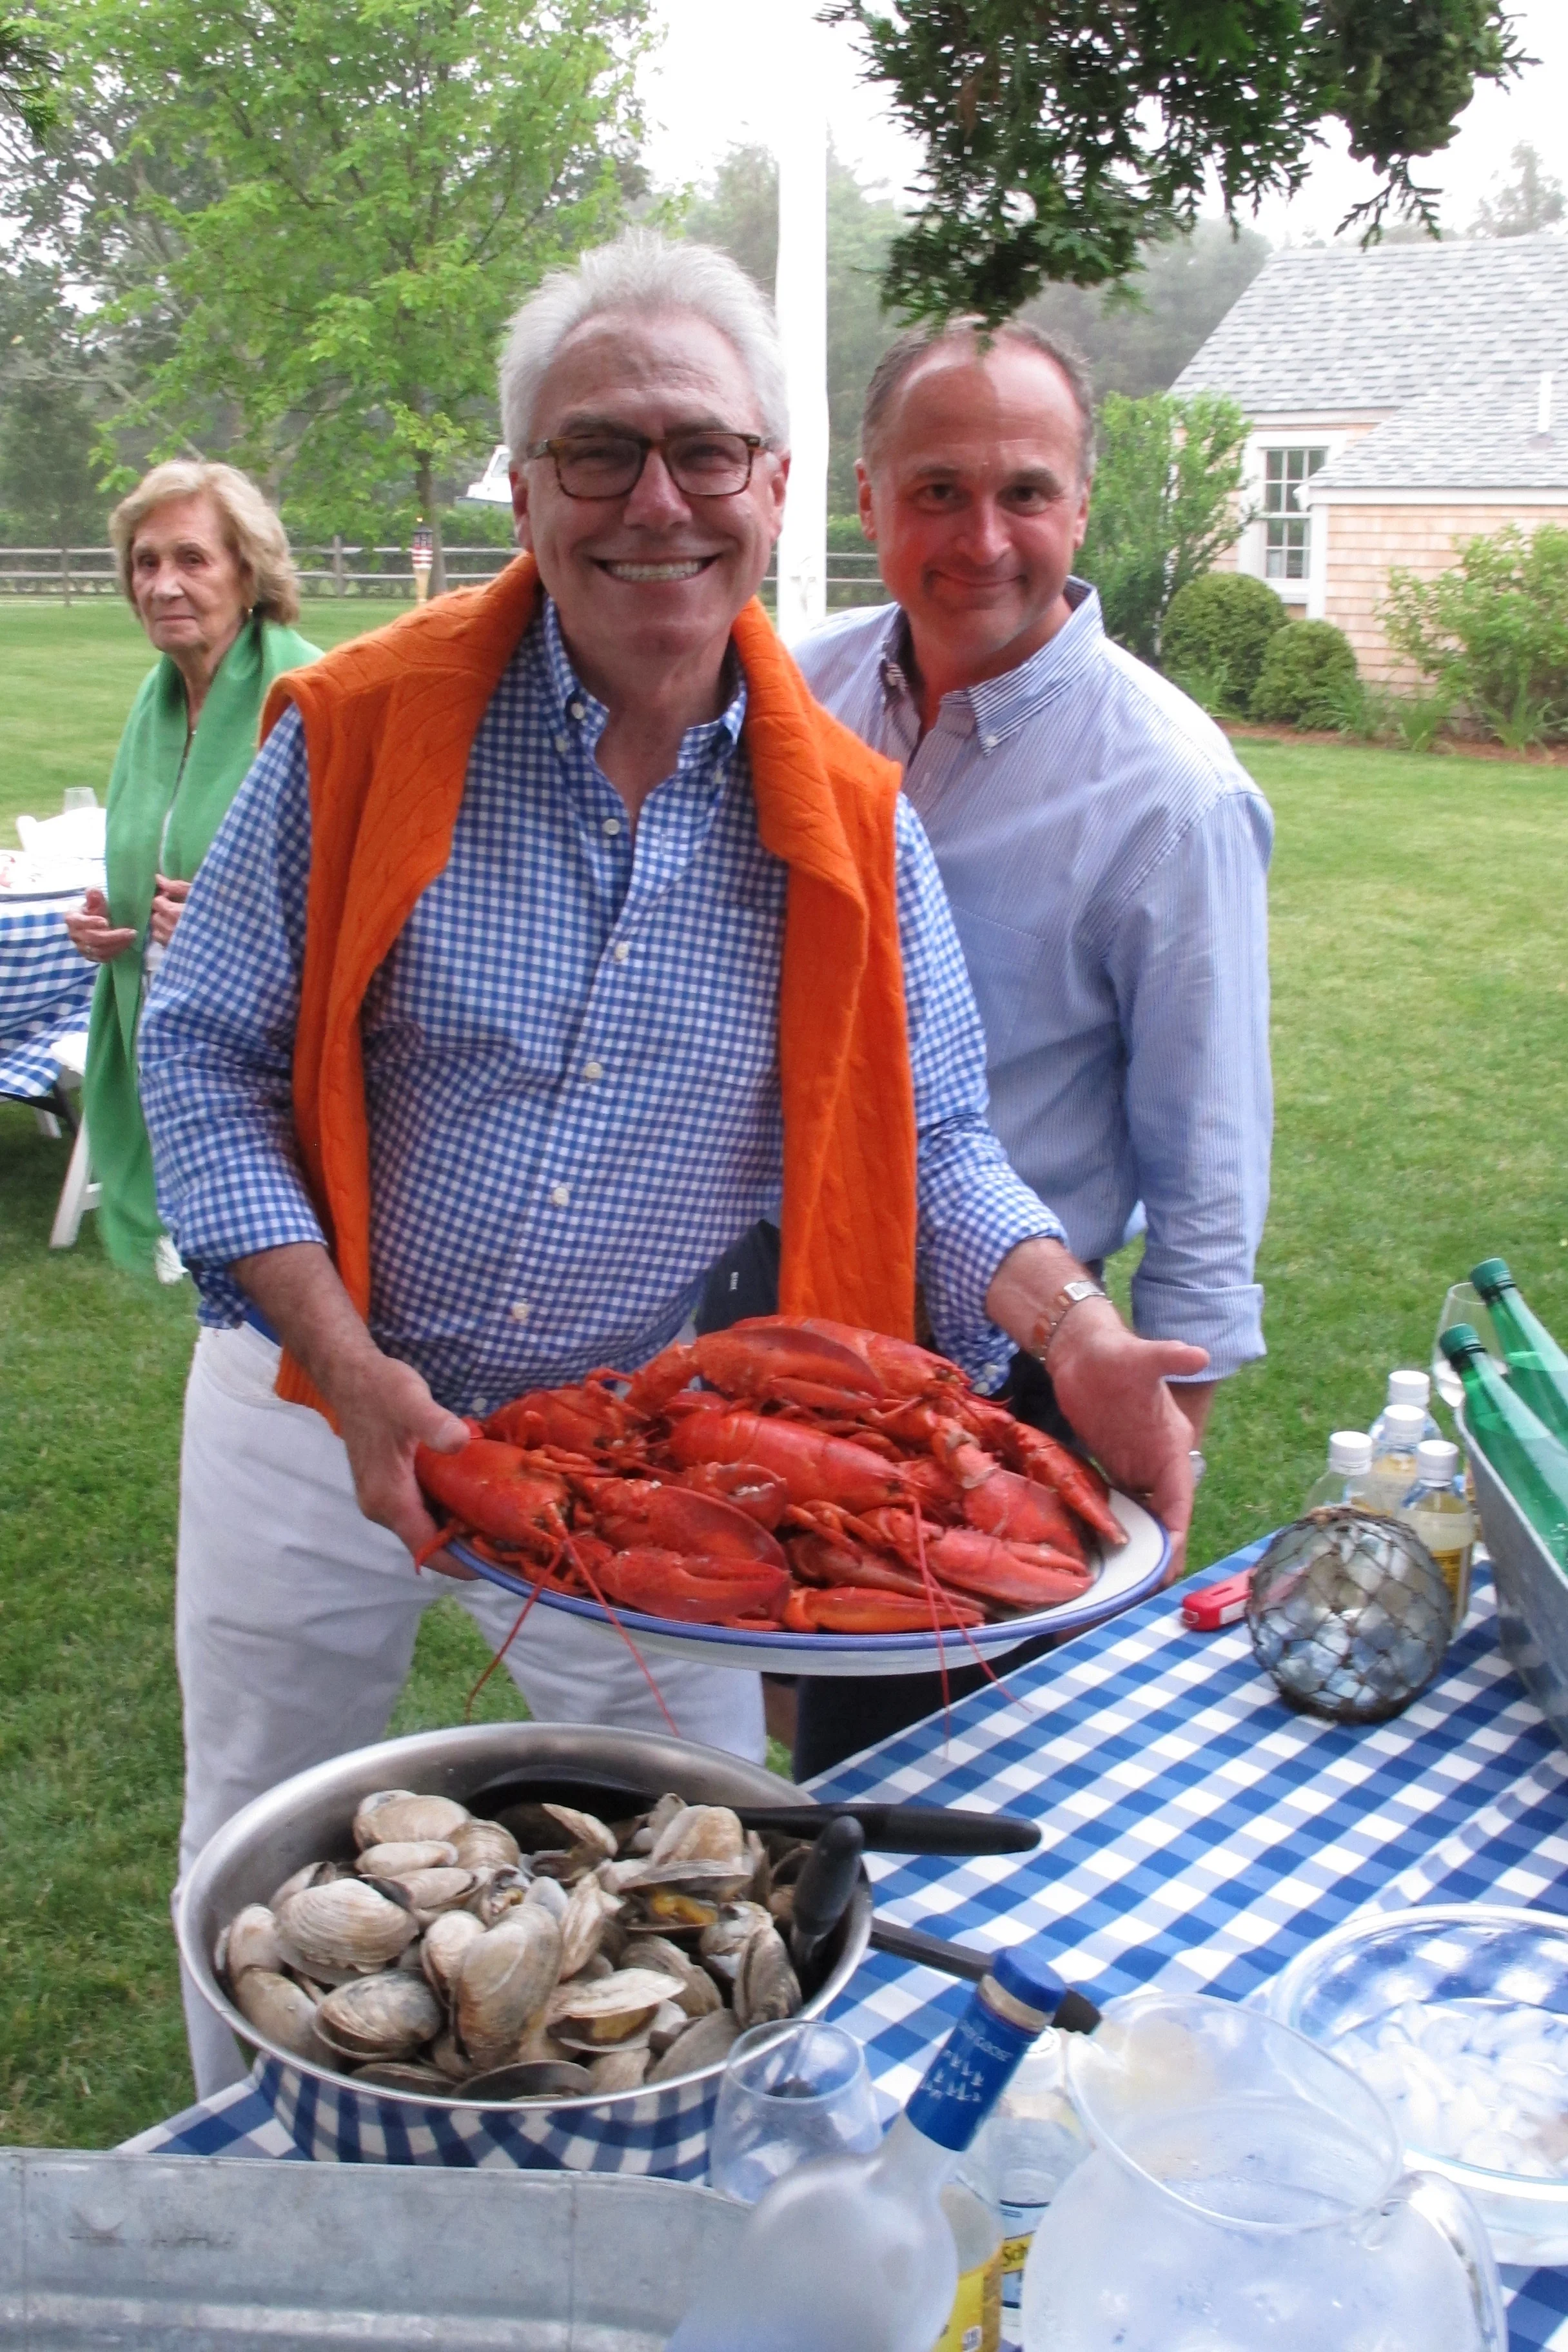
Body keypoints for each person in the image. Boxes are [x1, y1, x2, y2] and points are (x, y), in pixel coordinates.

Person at [139, 234, 1202, 2094]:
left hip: (633, 1474)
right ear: (528, 487)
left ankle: (647, 2200)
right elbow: (205, 1056)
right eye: (597, 451)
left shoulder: (858, 822)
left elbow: (940, 1133)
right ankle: (265, 2204)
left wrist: (1073, 1328)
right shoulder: (361, 735)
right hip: (313, 1413)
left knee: (708, 1861)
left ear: (781, 489)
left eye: (707, 452)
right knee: (257, 1823)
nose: (659, 502)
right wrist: (350, 1361)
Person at [793, 324, 1272, 1449]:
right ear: (867, 499)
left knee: (1000, 1638)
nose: (983, 538)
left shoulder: (1171, 795)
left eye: (1025, 490)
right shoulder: (793, 698)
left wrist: (1166, 1451)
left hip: (1018, 1367)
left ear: (1082, 506)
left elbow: (1206, 1162)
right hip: (776, 1320)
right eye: (939, 489)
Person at [64, 462, 320, 1279]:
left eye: (192, 559)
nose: (163, 585)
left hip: (276, 1055)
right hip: (169, 1023)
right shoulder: (158, 699)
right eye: (145, 562)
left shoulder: (310, 695)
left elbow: (377, 895)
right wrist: (108, 925)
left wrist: (227, 927)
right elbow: (154, 856)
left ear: (250, 571)